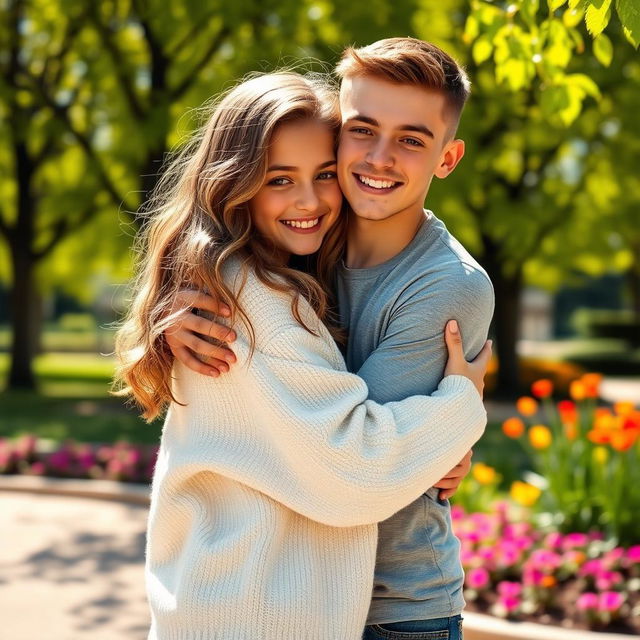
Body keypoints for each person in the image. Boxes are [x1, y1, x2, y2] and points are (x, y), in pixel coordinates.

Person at [114, 70, 491, 640]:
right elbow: (362, 466)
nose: (309, 199)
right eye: (279, 179)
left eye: (411, 139)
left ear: (447, 156)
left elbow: (333, 447)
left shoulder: (313, 267)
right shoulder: (250, 294)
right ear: (234, 182)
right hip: (265, 602)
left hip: (384, 598)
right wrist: (459, 408)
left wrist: (442, 448)